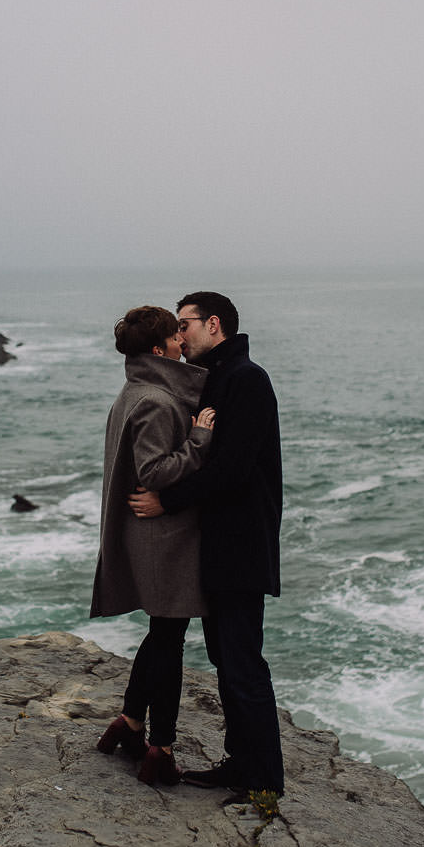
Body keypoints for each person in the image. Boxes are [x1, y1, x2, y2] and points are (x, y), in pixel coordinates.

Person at [129, 291, 284, 796]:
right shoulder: (215, 378)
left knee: (242, 663)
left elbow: (233, 470)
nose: (180, 334)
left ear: (212, 324)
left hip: (241, 545)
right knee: (226, 659)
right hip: (216, 545)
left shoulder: (246, 379)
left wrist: (166, 501)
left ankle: (263, 783)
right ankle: (240, 765)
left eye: (185, 324)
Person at [91, 305, 217, 785]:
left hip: (149, 540)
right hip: (163, 542)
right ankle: (160, 750)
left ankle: (129, 724)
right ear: (159, 347)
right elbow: (155, 473)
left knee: (161, 635)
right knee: (170, 641)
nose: (183, 342)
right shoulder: (157, 401)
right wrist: (201, 439)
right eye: (175, 335)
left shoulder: (135, 391)